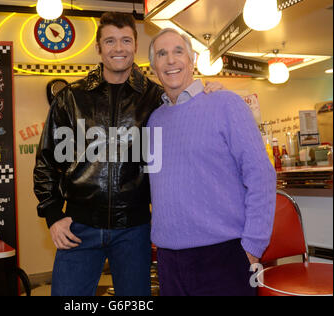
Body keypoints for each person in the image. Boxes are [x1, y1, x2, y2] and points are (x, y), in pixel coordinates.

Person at [34, 13, 223, 296]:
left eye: (125, 40)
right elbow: (46, 162)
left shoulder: (155, 98)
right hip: (79, 227)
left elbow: (189, 110)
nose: (118, 48)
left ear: (135, 46)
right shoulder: (71, 98)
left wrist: (210, 94)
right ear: (98, 47)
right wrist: (52, 214)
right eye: (110, 41)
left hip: (134, 229)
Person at [147, 28, 276, 296]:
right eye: (162, 54)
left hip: (224, 257)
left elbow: (261, 176)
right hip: (170, 262)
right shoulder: (154, 121)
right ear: (153, 67)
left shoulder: (225, 104)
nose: (170, 60)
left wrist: (253, 246)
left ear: (192, 60)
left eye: (178, 51)